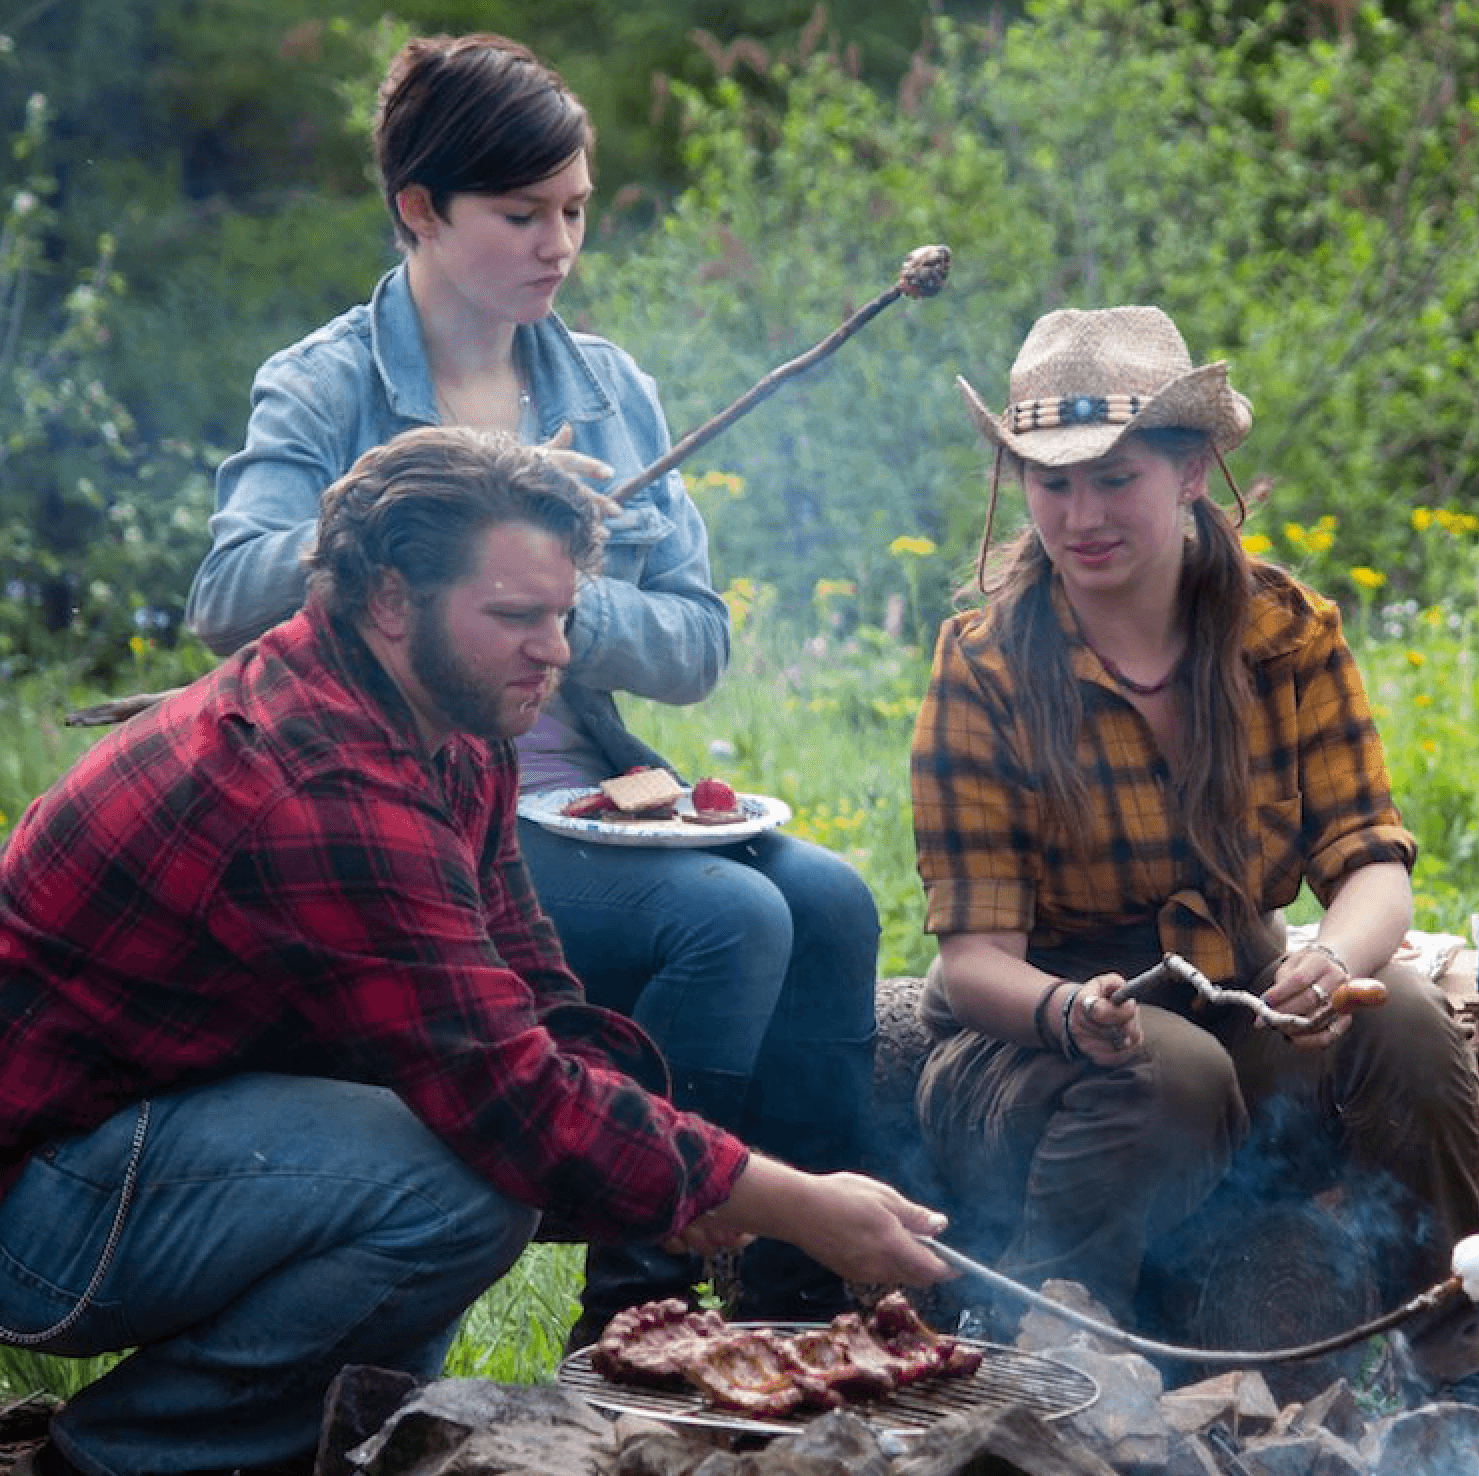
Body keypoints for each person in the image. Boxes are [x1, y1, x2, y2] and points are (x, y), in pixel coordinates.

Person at [0, 429, 952, 1476]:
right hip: (38, 1204)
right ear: (391, 600)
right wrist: (785, 1201)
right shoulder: (323, 779)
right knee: (454, 1185)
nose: (556, 649)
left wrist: (680, 1177)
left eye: (561, 615)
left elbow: (532, 999)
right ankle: (123, 1459)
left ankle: (340, 1443)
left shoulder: (453, 734)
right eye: (514, 617)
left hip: (153, 1137)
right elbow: (508, 1097)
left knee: (473, 1157)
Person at [183, 33, 881, 1340]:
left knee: (830, 901)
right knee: (727, 922)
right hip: (406, 805)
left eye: (574, 209)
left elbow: (694, 643)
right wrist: (422, 518)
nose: (559, 243)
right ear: (419, 209)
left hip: (583, 797)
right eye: (521, 213)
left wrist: (556, 582)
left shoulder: (606, 388)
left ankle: (799, 1309)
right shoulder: (327, 383)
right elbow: (222, 601)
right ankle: (643, 1311)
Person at [905, 305, 1479, 1413]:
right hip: (1034, 1056)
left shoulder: (1285, 633)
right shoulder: (982, 665)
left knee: (1409, 1021)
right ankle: (1054, 1338)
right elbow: (976, 962)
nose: (1079, 515)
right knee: (1168, 1068)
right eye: (1050, 483)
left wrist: (1331, 958)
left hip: (1241, 1009)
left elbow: (1370, 863)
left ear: (1189, 470)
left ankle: (1452, 1359)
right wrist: (1064, 1010)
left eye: (1112, 477)